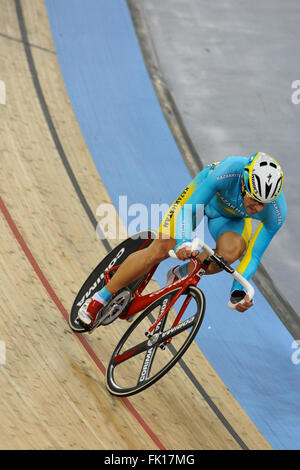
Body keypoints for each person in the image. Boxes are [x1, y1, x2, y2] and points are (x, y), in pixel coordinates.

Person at [78, 152, 286, 328]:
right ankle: (100, 297)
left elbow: (254, 254)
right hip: (200, 201)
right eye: (254, 200)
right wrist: (183, 242)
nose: (258, 208)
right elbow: (188, 210)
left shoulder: (276, 212)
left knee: (231, 253)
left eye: (264, 204)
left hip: (230, 220)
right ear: (243, 184)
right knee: (160, 250)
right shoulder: (229, 170)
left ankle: (180, 274)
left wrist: (238, 292)